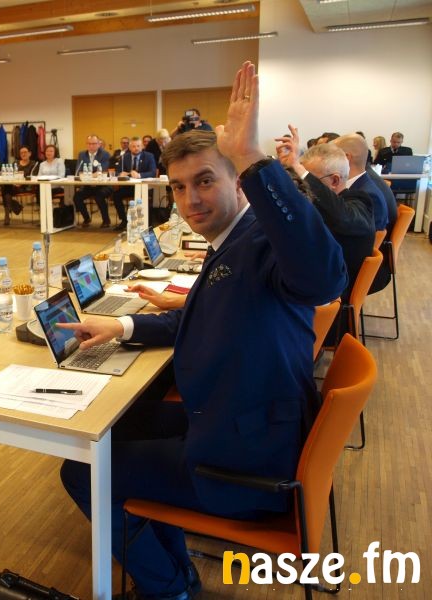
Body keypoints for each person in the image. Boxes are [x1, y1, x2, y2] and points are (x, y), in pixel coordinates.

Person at [57, 61, 346, 600]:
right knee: (123, 422)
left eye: (206, 181)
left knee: (81, 469)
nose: (190, 200)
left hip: (244, 465)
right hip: (239, 424)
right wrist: (120, 323)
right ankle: (176, 570)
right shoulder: (234, 240)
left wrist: (254, 157)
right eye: (179, 186)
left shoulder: (262, 241)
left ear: (239, 180)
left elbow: (325, 276)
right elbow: (200, 316)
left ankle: (167, 588)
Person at [276, 129, 374, 308]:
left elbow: (342, 217)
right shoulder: (322, 205)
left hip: (331, 302)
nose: (303, 187)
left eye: (308, 181)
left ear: (335, 180)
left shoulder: (360, 202)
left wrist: (300, 168)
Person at [333, 134, 392, 232]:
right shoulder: (360, 184)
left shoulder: (368, 195)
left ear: (346, 158)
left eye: (331, 156)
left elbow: (366, 236)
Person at [112, 137, 156, 232]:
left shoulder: (149, 156)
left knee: (147, 200)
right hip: (129, 187)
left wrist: (139, 175)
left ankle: (147, 224)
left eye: (138, 146)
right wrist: (121, 174)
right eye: (133, 146)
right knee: (115, 196)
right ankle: (124, 221)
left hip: (144, 187)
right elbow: (117, 171)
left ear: (142, 146)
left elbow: (152, 172)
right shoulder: (125, 157)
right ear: (129, 147)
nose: (136, 148)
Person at [73, 134, 112, 228]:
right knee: (77, 197)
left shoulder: (105, 154)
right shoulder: (82, 154)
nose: (91, 146)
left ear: (99, 144)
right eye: (89, 143)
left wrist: (88, 175)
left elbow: (102, 171)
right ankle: (86, 218)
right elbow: (79, 171)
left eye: (94, 143)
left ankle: (106, 220)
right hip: (88, 185)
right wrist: (91, 175)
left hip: (103, 185)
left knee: (99, 196)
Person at [0, 146, 34, 226]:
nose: (23, 154)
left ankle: (8, 213)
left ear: (30, 153)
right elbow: (10, 174)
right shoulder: (15, 163)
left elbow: (33, 177)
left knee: (5, 189)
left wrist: (21, 183)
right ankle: (12, 208)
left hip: (25, 186)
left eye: (25, 152)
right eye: (21, 153)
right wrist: (13, 183)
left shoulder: (33, 164)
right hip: (13, 185)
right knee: (6, 187)